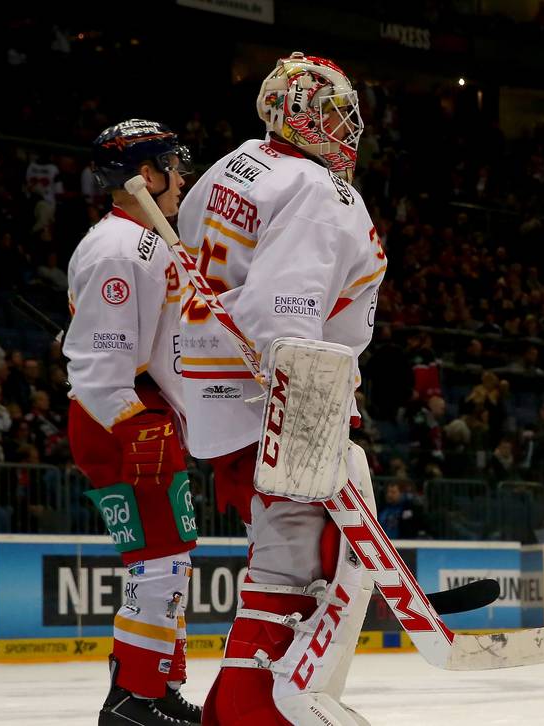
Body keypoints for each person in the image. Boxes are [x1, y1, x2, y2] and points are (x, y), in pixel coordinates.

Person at [174, 52, 386, 725]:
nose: (343, 126)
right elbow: (286, 314)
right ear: (294, 112)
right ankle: (249, 715)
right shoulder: (321, 192)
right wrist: (310, 417)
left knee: (279, 575)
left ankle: (226, 712)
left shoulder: (226, 169)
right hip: (279, 407)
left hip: (213, 403)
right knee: (300, 577)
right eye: (330, 110)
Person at [64, 119, 200, 725]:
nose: (182, 176)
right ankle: (130, 701)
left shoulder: (140, 240)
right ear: (145, 176)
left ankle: (158, 687)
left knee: (172, 557)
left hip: (139, 413)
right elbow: (99, 364)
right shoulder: (122, 248)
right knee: (158, 561)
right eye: (173, 163)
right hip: (122, 419)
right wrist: (134, 423)